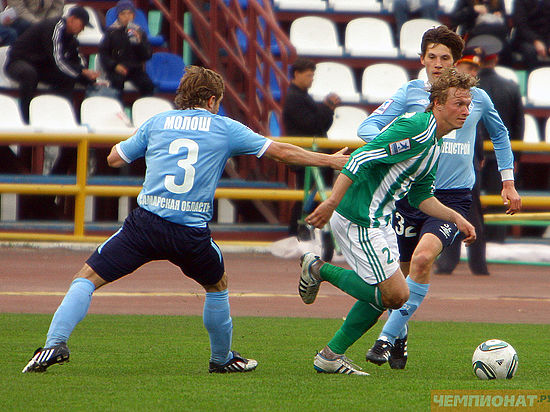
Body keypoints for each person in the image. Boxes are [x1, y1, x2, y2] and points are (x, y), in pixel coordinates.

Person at [21, 65, 350, 374]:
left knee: (86, 278)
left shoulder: (158, 121)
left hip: (145, 224)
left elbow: (114, 158)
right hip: (190, 232)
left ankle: (54, 345)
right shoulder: (224, 128)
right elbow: (281, 151)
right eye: (218, 102)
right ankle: (221, 359)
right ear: (211, 100)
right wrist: (329, 162)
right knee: (217, 286)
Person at [358, 25, 521, 370]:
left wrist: (508, 183)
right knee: (399, 281)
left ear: (455, 61)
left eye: (445, 57)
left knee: (422, 260)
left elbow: (502, 135)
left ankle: (384, 339)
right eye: (431, 57)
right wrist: (397, 145)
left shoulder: (474, 97)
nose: (437, 63)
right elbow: (366, 129)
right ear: (422, 59)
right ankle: (399, 333)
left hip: (455, 198)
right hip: (411, 194)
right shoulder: (410, 93)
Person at [298, 68, 477, 376]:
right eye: (458, 103)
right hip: (359, 215)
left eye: (467, 104)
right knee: (396, 295)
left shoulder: (434, 144)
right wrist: (330, 202)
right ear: (436, 103)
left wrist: (456, 216)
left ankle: (330, 356)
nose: (465, 110)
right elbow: (359, 158)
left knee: (385, 295)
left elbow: (422, 196)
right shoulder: (418, 129)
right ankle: (317, 268)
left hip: (380, 219)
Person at [436, 40, 525, 274]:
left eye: (475, 68)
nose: (472, 71)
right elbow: (514, 124)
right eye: (468, 67)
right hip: (472, 159)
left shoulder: (477, 95)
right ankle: (471, 263)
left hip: (472, 160)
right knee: (467, 212)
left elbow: (485, 129)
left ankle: (460, 262)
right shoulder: (443, 91)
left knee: (469, 210)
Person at [5, 6, 100, 123]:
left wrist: (87, 77)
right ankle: (26, 119)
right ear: (72, 19)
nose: (83, 29)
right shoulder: (55, 28)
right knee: (29, 75)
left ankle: (60, 116)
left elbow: (74, 62)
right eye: (82, 25)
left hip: (40, 66)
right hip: (17, 62)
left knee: (68, 78)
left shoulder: (72, 39)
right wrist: (81, 72)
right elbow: (58, 60)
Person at [282, 57, 341, 236]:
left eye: (312, 75)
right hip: (305, 156)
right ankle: (298, 231)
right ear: (296, 74)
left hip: (311, 155)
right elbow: (313, 125)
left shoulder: (301, 97)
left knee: (310, 196)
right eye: (308, 75)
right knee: (308, 197)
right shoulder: (294, 99)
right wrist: (327, 108)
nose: (311, 79)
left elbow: (319, 124)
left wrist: (327, 109)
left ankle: (305, 231)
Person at [98, 0, 154, 98]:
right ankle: (118, 109)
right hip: (117, 68)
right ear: (118, 16)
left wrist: (139, 42)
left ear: (133, 15)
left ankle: (144, 109)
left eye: (129, 13)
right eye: (123, 14)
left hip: (135, 69)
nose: (126, 17)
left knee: (147, 85)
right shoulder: (111, 32)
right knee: (117, 84)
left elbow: (147, 55)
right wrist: (115, 66)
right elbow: (103, 54)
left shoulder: (139, 31)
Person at [451, 0, 511, 65]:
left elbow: (506, 24)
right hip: (472, 36)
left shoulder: (499, 2)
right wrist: (473, 10)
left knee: (506, 51)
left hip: (495, 35)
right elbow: (455, 19)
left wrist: (501, 16)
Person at [511, 0, 550, 70]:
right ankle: (533, 76)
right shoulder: (520, 2)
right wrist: (536, 41)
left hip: (546, 37)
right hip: (526, 39)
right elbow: (521, 26)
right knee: (530, 51)